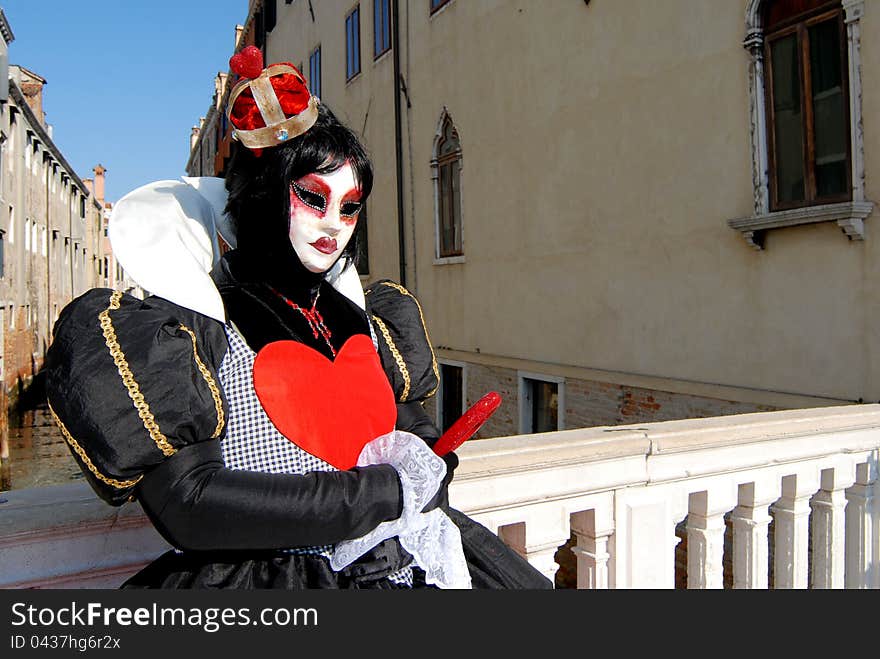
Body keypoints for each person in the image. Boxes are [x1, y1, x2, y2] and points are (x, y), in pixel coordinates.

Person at [44, 47, 551, 590]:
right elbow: (189, 503)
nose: (335, 225)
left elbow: (402, 421)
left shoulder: (360, 315)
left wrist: (426, 455)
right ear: (264, 196)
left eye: (350, 207)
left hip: (401, 563)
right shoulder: (196, 327)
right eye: (314, 198)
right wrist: (379, 494)